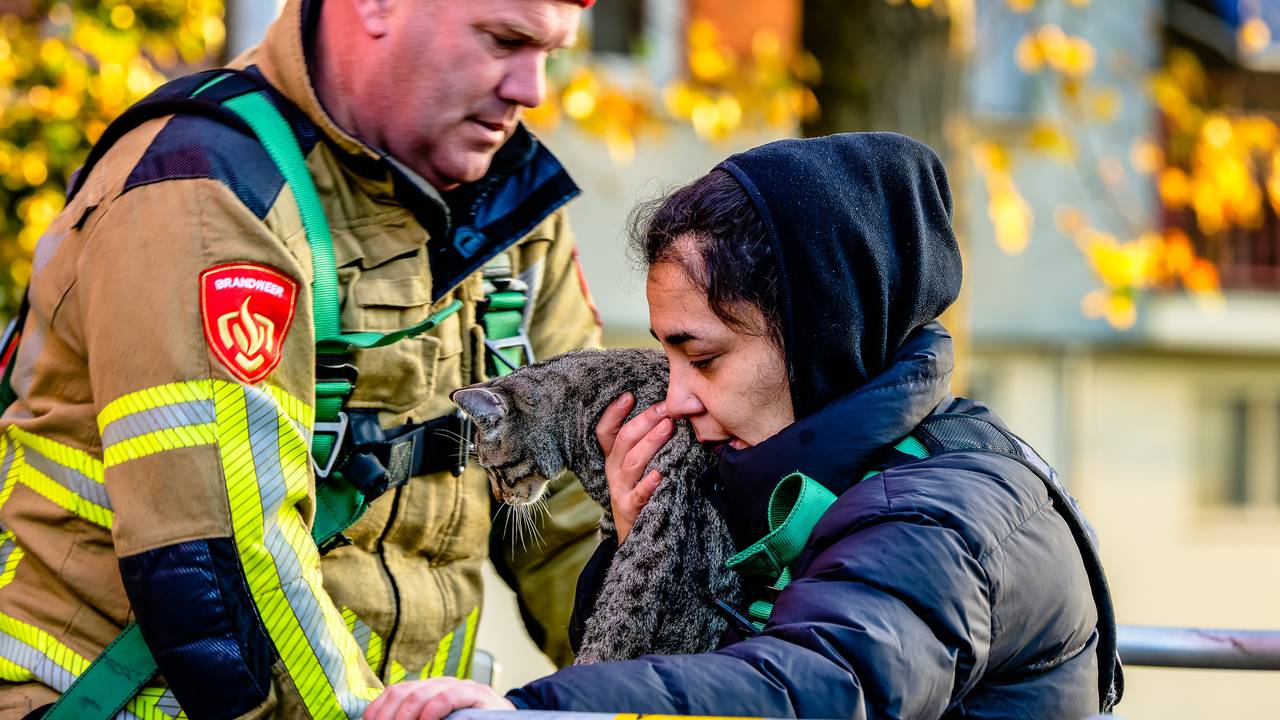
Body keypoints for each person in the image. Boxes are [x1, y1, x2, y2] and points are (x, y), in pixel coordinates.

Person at [363, 132, 1123, 720]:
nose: (678, 398)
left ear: (819, 330)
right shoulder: (785, 479)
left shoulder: (942, 512)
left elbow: (820, 686)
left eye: (707, 359)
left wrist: (535, 710)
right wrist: (633, 547)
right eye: (667, 359)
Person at [0, 0, 605, 717]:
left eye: (552, 52)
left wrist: (678, 684)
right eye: (506, 39)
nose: (533, 87)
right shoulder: (203, 186)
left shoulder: (511, 211)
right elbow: (224, 566)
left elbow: (581, 512)